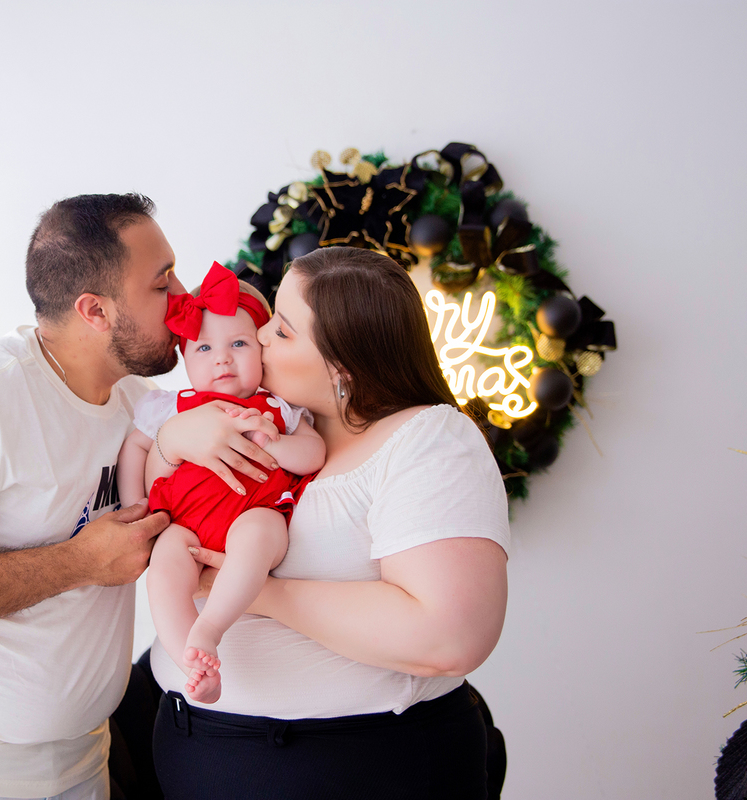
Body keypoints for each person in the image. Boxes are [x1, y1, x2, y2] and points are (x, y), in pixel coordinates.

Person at [0, 194, 276, 800]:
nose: (185, 298)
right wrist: (81, 563)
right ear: (94, 310)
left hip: (77, 760)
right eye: (162, 281)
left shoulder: (139, 403)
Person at [149, 247, 511, 799]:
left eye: (283, 331)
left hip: (358, 766)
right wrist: (172, 441)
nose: (260, 336)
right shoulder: (260, 420)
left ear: (342, 367)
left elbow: (450, 637)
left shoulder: (426, 439)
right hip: (200, 748)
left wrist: (259, 594)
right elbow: (155, 504)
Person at [116, 263, 325, 705]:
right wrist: (137, 511)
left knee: (259, 534)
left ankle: (209, 628)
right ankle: (187, 655)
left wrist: (275, 442)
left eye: (238, 343)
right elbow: (135, 449)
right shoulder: (170, 406)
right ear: (184, 357)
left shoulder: (279, 406)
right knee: (165, 569)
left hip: (255, 512)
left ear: (262, 347)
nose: (221, 358)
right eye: (204, 347)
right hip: (185, 522)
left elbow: (314, 454)